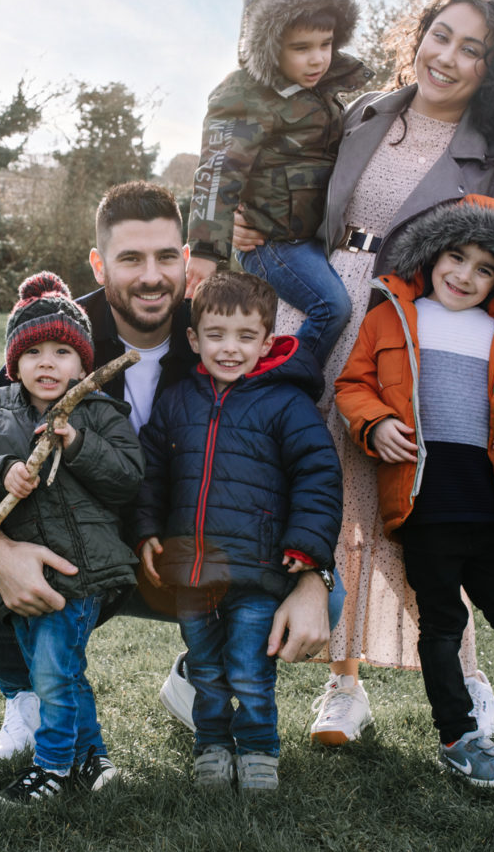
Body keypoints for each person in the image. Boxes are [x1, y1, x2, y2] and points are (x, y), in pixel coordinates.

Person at [232, 0, 494, 746]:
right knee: (320, 502)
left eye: (470, 48)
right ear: (416, 35)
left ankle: (471, 681)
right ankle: (339, 688)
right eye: (439, 35)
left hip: (408, 345)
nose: (446, 57)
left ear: (493, 69)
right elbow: (289, 188)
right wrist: (241, 217)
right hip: (314, 319)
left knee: (408, 513)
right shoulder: (361, 113)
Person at [0, 181, 335, 763]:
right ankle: (29, 695)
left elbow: (298, 462)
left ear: (186, 258)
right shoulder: (52, 336)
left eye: (167, 256)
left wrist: (316, 575)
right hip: (72, 549)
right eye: (130, 258)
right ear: (98, 262)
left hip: (186, 553)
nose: (151, 276)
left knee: (319, 599)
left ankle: (200, 668)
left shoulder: (215, 334)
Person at [334, 196, 494, 786]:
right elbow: (352, 384)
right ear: (432, 254)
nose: (465, 275)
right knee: (441, 628)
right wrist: (375, 421)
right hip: (426, 509)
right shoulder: (392, 315)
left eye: (485, 268)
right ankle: (462, 738)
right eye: (456, 256)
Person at [134, 272, 342, 791]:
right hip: (191, 570)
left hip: (257, 571)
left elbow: (318, 475)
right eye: (217, 335)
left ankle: (257, 750)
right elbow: (151, 472)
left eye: (246, 337)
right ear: (194, 339)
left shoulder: (286, 403)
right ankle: (211, 745)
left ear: (267, 341)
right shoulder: (178, 400)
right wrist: (145, 530)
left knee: (250, 671)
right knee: (205, 669)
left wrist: (307, 548)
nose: (230, 348)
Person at [0, 272, 145, 801]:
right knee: (59, 669)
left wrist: (77, 444)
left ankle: (53, 766)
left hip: (81, 571)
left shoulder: (101, 414)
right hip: (21, 575)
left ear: (83, 361)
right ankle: (93, 760)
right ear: (14, 364)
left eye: (62, 350)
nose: (48, 362)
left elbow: (128, 479)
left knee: (55, 670)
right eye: (33, 351)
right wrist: (0, 472)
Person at [186, 0, 372, 366]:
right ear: (271, 46)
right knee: (332, 306)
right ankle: (289, 378)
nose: (318, 58)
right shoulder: (244, 95)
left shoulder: (324, 90)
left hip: (313, 236)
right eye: (301, 47)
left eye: (325, 44)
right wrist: (205, 249)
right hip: (271, 243)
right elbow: (217, 172)